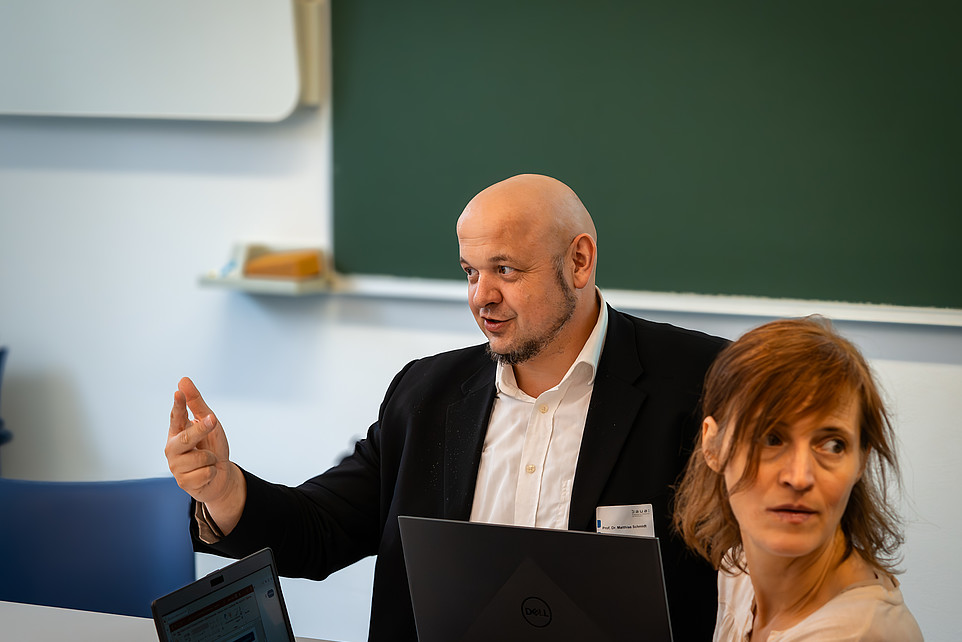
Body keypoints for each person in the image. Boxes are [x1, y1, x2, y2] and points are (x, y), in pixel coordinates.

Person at [166, 173, 728, 641]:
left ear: (579, 262)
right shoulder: (427, 394)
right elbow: (322, 530)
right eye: (470, 271)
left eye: (505, 270)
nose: (481, 296)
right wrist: (224, 491)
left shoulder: (703, 385)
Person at [673, 317, 924, 641]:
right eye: (771, 439)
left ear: (861, 459)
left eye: (833, 445)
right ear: (712, 445)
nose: (800, 477)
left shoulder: (857, 633)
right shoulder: (739, 570)